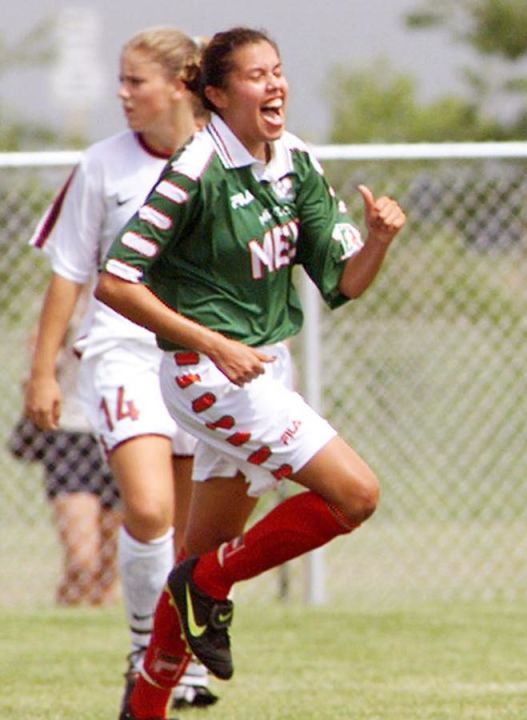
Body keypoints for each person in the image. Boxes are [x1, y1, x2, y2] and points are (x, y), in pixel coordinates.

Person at [95, 27, 405, 720]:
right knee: (355, 495)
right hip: (212, 374)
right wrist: (214, 344)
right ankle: (208, 584)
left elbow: (343, 283)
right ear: (215, 93)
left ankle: (145, 700)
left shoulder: (295, 160)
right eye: (255, 76)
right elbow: (116, 282)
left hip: (263, 369)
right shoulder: (195, 167)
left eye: (279, 71)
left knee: (193, 556)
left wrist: (378, 239)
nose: (275, 85)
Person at [22, 27, 218, 709]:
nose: (122, 93)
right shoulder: (102, 164)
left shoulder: (221, 158)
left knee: (195, 532)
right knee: (148, 506)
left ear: (179, 85)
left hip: (200, 358)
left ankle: (178, 655)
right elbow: (69, 274)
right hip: (119, 353)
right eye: (121, 79)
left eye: (136, 81)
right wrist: (43, 372)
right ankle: (146, 645)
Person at [11, 336, 122, 607]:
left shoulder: (150, 295)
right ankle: (66, 616)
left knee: (113, 566)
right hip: (71, 431)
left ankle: (96, 639)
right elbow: (37, 350)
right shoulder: (72, 298)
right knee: (82, 561)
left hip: (125, 429)